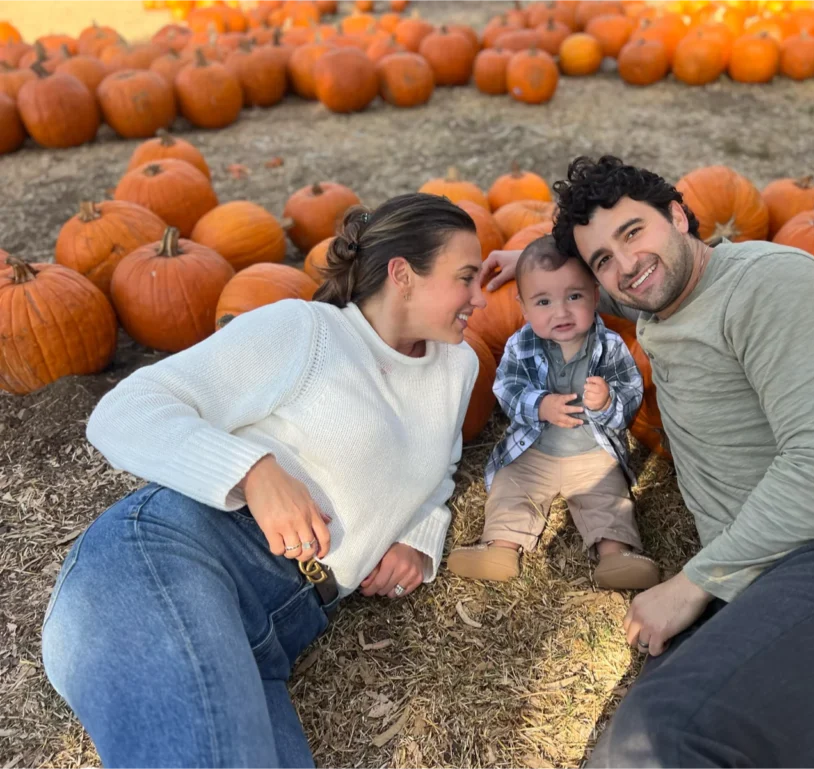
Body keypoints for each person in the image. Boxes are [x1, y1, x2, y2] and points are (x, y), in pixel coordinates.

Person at [479, 156, 814, 769]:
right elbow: (593, 287)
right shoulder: (657, 302)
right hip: (765, 582)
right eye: (603, 259)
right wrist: (516, 261)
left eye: (633, 232)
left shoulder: (772, 283)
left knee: (658, 743)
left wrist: (696, 582)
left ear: (678, 215)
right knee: (646, 733)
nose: (625, 265)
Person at [41, 193, 486, 769]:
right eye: (466, 278)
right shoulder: (306, 331)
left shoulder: (458, 366)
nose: (480, 297)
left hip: (277, 630)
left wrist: (418, 535)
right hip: (170, 557)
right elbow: (124, 410)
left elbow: (439, 466)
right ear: (403, 275)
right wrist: (252, 471)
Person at [446, 235, 659, 590]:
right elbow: (507, 389)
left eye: (574, 296)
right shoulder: (520, 345)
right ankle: (500, 547)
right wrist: (539, 405)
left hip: (592, 454)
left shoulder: (610, 347)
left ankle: (615, 555)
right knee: (510, 488)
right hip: (535, 452)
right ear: (524, 308)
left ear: (595, 293)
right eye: (543, 302)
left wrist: (607, 402)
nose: (560, 312)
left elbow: (631, 393)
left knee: (609, 497)